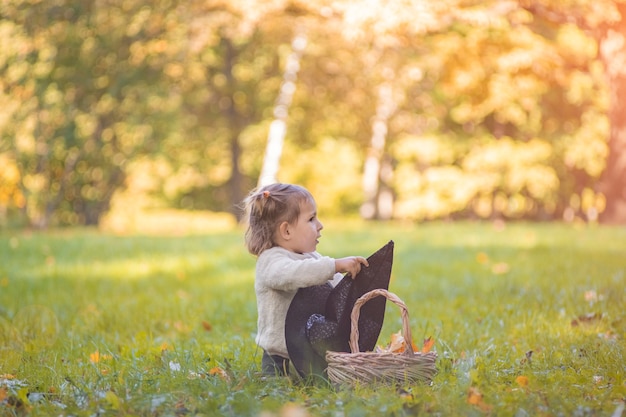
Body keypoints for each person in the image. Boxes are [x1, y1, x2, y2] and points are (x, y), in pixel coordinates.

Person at [243, 183, 369, 376]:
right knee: (278, 386)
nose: (320, 225)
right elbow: (294, 274)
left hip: (311, 352)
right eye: (311, 219)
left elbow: (333, 288)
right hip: (281, 360)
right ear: (286, 231)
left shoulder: (312, 258)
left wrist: (353, 284)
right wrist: (334, 265)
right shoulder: (271, 261)